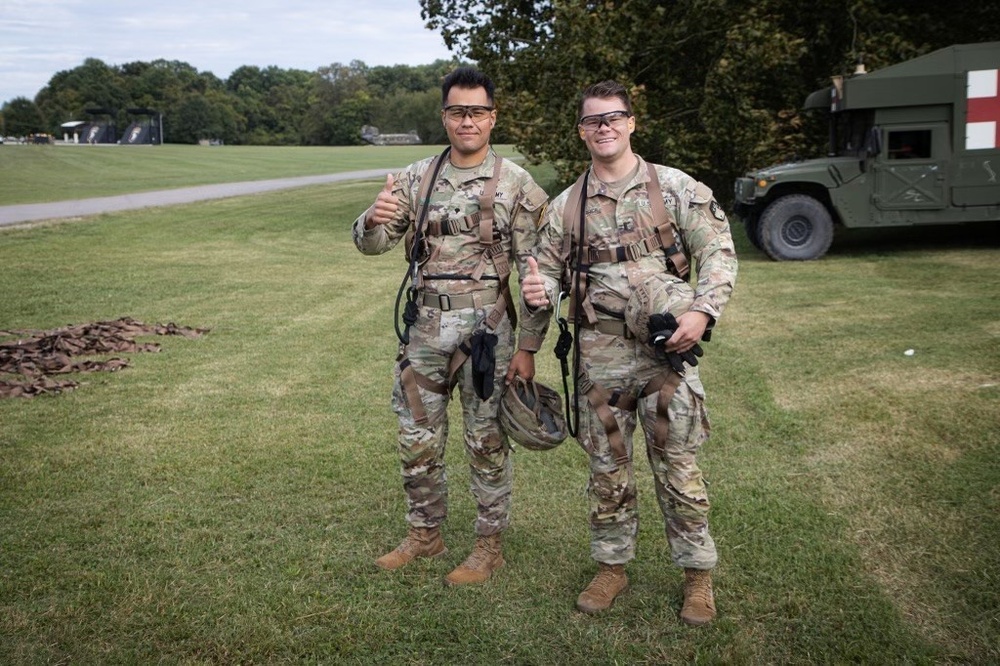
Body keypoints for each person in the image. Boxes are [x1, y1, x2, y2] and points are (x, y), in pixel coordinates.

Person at [519, 80, 737, 624]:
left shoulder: (678, 189)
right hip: (600, 358)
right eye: (593, 121)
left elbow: (717, 253)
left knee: (678, 467)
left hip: (665, 358)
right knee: (607, 470)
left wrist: (702, 311)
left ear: (631, 123)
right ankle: (612, 566)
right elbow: (541, 274)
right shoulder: (567, 206)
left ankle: (697, 576)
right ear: (582, 131)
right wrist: (533, 313)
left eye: (614, 117)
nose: (604, 128)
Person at [352, 67, 548, 585]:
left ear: (492, 117)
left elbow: (538, 272)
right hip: (424, 333)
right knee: (416, 437)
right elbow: (374, 246)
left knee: (485, 441)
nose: (468, 121)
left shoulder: (516, 184)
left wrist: (529, 345)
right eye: (458, 111)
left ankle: (488, 545)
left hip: (487, 333)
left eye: (477, 111)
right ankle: (425, 534)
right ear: (444, 116)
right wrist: (373, 218)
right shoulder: (416, 177)